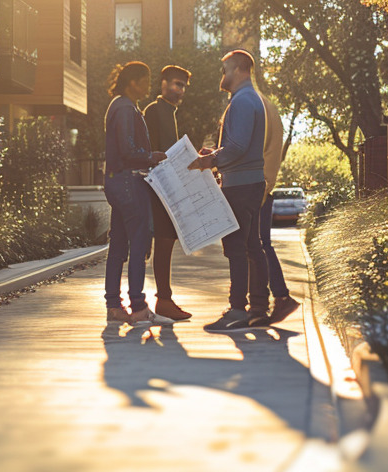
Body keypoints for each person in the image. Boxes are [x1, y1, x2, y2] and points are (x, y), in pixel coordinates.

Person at [188, 50, 271, 332]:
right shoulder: (248, 99)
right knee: (251, 246)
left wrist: (208, 161)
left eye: (224, 70)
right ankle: (258, 307)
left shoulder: (243, 101)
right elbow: (239, 146)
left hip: (240, 185)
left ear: (238, 70)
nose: (222, 76)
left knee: (237, 247)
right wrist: (215, 154)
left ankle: (237, 310)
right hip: (248, 182)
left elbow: (237, 147)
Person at [103, 61, 171, 325]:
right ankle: (139, 308)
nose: (148, 85)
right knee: (138, 244)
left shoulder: (121, 106)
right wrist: (152, 157)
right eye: (145, 79)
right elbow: (127, 150)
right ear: (133, 81)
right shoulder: (125, 108)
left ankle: (114, 306)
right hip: (130, 183)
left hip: (117, 183)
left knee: (118, 245)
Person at [143, 65, 193, 321]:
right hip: (155, 188)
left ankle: (163, 299)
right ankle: (159, 301)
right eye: (176, 83)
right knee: (160, 242)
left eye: (183, 86)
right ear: (162, 83)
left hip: (167, 186)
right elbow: (149, 149)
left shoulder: (169, 112)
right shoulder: (154, 111)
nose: (179, 89)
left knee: (166, 241)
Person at [256, 88, 301, 325]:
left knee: (257, 246)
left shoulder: (255, 106)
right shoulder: (268, 108)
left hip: (257, 188)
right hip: (263, 186)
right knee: (259, 246)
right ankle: (268, 299)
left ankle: (274, 298)